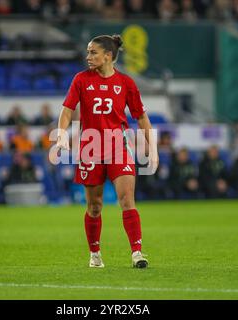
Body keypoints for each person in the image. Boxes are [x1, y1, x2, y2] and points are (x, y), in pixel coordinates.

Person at [56, 34, 158, 268]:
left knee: (127, 200)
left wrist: (152, 149)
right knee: (95, 206)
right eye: (88, 52)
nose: (88, 56)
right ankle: (95, 254)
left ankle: (137, 253)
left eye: (93, 52)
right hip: (90, 149)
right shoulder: (81, 80)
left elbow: (141, 117)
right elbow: (67, 110)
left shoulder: (126, 83)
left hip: (118, 147)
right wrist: (61, 133)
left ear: (108, 56)